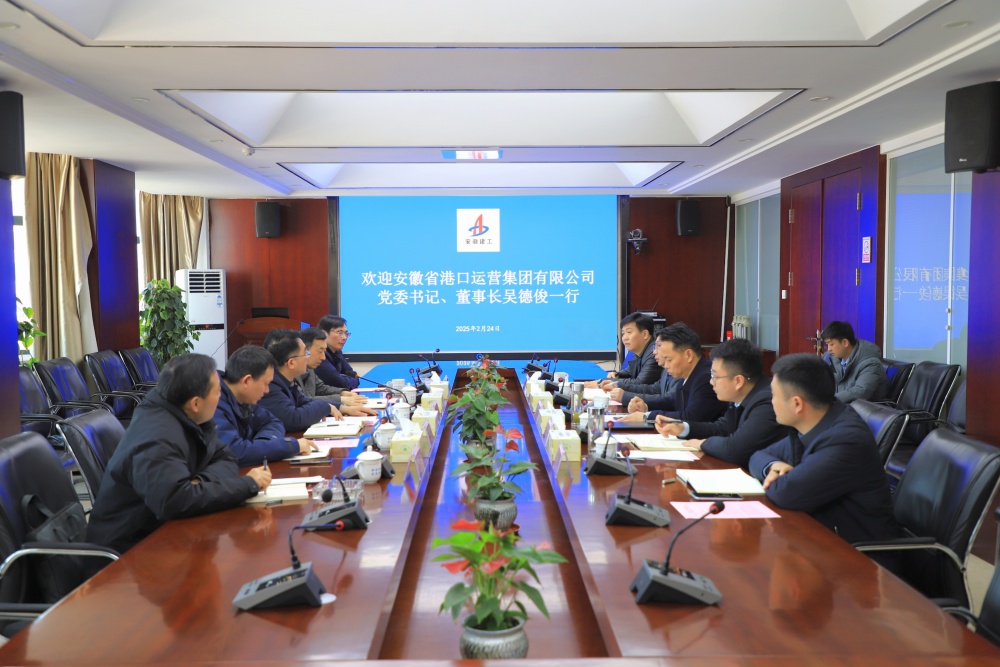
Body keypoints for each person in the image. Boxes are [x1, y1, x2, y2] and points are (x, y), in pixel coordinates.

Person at [87, 354, 271, 554]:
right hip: (129, 551)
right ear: (195, 403)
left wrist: (200, 483)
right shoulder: (157, 436)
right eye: (218, 391)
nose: (221, 397)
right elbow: (175, 502)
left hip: (163, 533)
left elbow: (226, 456)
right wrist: (248, 484)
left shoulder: (187, 416)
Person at [748, 353, 899, 546]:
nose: (771, 402)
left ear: (797, 404)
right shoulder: (819, 420)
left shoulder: (845, 441)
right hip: (819, 536)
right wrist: (773, 466)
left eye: (774, 396)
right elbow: (758, 456)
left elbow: (786, 493)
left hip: (856, 554)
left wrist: (777, 478)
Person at [655, 338, 790, 467]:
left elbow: (735, 449)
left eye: (715, 376)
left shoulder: (767, 403)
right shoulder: (741, 396)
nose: (711, 382)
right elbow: (722, 428)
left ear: (738, 381)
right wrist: (683, 428)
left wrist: (702, 444)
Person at [213, 345, 318, 466]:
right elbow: (234, 452)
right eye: (266, 384)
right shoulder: (213, 403)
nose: (267, 390)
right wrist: (290, 445)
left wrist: (264, 444)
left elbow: (273, 421)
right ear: (246, 381)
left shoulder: (244, 398)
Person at [621, 323, 726, 424]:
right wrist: (645, 406)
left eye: (669, 360)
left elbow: (691, 418)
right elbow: (671, 401)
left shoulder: (706, 378)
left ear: (688, 355)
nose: (666, 366)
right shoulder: (687, 375)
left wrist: (647, 416)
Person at [260, 329, 342, 432]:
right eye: (305, 353)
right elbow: (293, 419)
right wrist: (325, 406)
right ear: (291, 363)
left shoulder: (285, 381)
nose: (308, 357)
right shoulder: (269, 385)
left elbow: (305, 401)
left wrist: (342, 408)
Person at [297, 327, 376, 416]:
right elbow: (304, 400)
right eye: (320, 351)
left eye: (324, 352)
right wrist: (341, 400)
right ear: (304, 350)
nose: (323, 357)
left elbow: (321, 388)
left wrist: (343, 393)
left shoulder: (310, 368)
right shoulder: (292, 374)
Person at [585, 313, 659, 392]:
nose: (624, 338)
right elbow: (629, 372)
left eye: (629, 332)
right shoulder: (639, 351)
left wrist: (603, 383)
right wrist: (617, 375)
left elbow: (640, 383)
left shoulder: (655, 353)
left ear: (645, 334)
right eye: (623, 333)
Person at [821, 321, 888, 404]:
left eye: (831, 344)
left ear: (845, 343)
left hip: (864, 410)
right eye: (827, 345)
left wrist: (829, 400)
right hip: (842, 407)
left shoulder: (871, 364)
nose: (829, 349)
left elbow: (860, 392)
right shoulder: (832, 358)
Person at [315, 315, 360, 389]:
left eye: (346, 333)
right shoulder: (319, 355)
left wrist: (350, 379)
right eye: (340, 333)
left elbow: (352, 375)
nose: (344, 337)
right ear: (324, 334)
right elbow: (340, 383)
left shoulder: (337, 352)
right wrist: (350, 380)